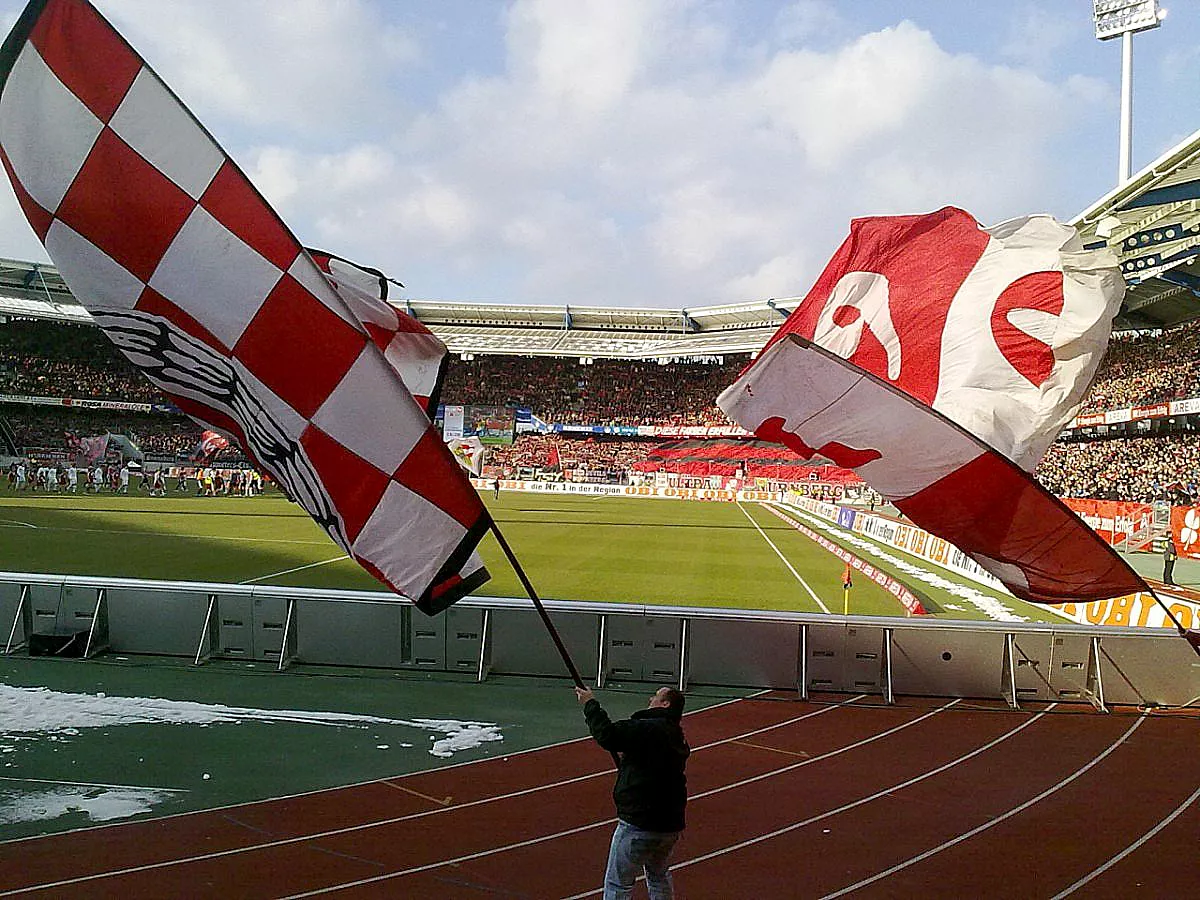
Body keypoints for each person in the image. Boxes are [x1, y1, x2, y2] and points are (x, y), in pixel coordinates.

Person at [576, 684, 689, 900]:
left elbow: (607, 734)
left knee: (618, 883)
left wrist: (590, 703)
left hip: (639, 821)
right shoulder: (676, 734)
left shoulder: (647, 728)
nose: (650, 699)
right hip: (670, 824)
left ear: (665, 704)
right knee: (658, 875)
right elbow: (651, 761)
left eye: (656, 696)